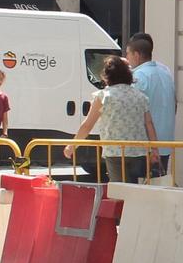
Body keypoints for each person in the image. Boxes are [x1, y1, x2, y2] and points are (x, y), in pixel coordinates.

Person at [74, 55, 159, 183]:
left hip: (114, 151)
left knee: (119, 190)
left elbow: (87, 125)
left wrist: (72, 145)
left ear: (107, 75)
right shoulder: (140, 97)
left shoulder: (103, 97)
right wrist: (155, 150)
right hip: (138, 151)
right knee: (136, 189)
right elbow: (149, 124)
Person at [127, 33, 176, 177]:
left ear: (136, 55)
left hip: (145, 146)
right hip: (165, 143)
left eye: (128, 54)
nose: (127, 58)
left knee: (139, 189)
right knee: (156, 188)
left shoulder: (139, 76)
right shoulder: (165, 73)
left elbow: (133, 112)